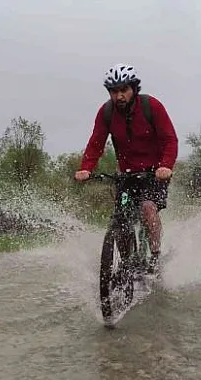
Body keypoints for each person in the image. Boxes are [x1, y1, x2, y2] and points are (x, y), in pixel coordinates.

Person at [74, 63, 179, 275]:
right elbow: (96, 143)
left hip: (154, 175)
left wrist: (166, 166)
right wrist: (86, 168)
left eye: (124, 90)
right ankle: (127, 263)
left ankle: (155, 255)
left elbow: (170, 139)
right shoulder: (106, 113)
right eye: (114, 91)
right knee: (120, 216)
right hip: (127, 176)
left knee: (148, 208)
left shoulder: (152, 106)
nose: (119, 96)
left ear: (134, 89)